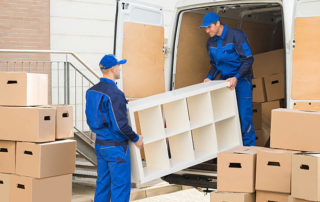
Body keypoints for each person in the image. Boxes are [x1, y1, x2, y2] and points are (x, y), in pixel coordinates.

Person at [85, 54, 143, 202]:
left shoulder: (92, 91)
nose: (120, 69)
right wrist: (136, 138)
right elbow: (120, 125)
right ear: (112, 69)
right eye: (118, 66)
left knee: (103, 186)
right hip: (116, 148)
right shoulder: (115, 94)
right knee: (120, 188)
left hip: (100, 145)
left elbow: (92, 117)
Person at [201, 12, 256, 146]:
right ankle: (232, 153)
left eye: (209, 27)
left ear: (218, 23)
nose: (207, 31)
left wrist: (236, 77)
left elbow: (248, 60)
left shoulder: (236, 36)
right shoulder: (210, 42)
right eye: (205, 28)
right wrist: (209, 78)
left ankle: (249, 153)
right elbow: (215, 64)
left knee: (244, 117)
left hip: (241, 81)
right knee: (228, 119)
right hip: (224, 83)